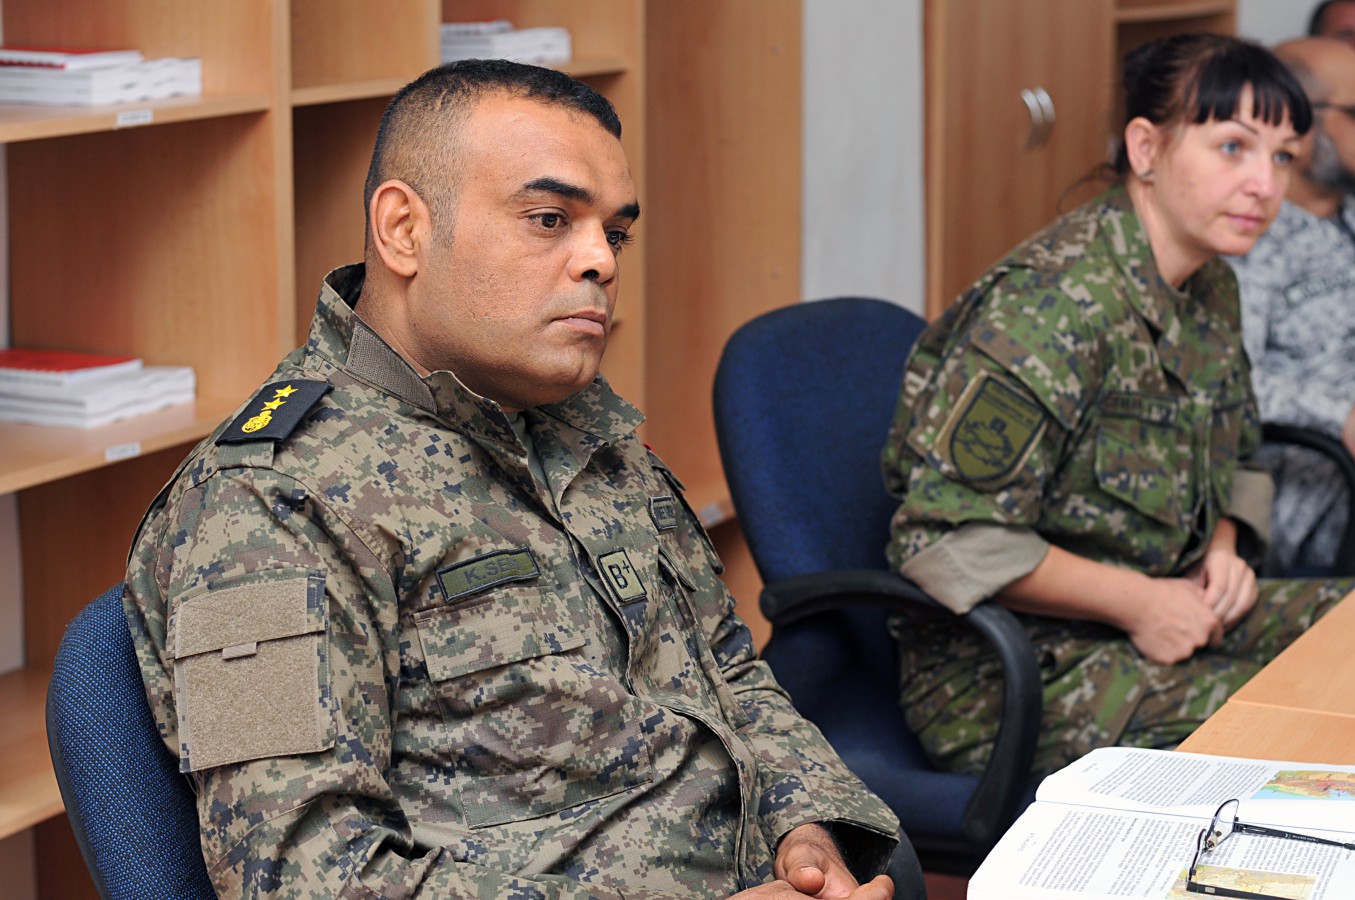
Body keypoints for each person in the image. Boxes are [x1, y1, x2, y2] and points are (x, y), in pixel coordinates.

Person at [123, 60, 906, 899]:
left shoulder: (582, 432)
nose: (599, 261)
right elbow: (305, 876)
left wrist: (806, 832)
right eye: (549, 219)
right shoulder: (266, 505)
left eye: (614, 234)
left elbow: (727, 674)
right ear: (403, 230)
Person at [880, 32, 1355, 781]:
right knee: (1308, 727)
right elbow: (947, 538)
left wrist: (1224, 545)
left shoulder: (1210, 284)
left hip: (1175, 607)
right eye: (1233, 147)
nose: (1264, 184)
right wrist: (1140, 603)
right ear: (1145, 148)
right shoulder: (1052, 307)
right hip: (1014, 671)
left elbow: (1236, 450)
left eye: (1283, 157)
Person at [1228, 37, 1355, 575]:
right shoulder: (1249, 239)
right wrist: (1340, 414)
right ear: (1301, 127)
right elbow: (1230, 379)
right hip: (1315, 492)